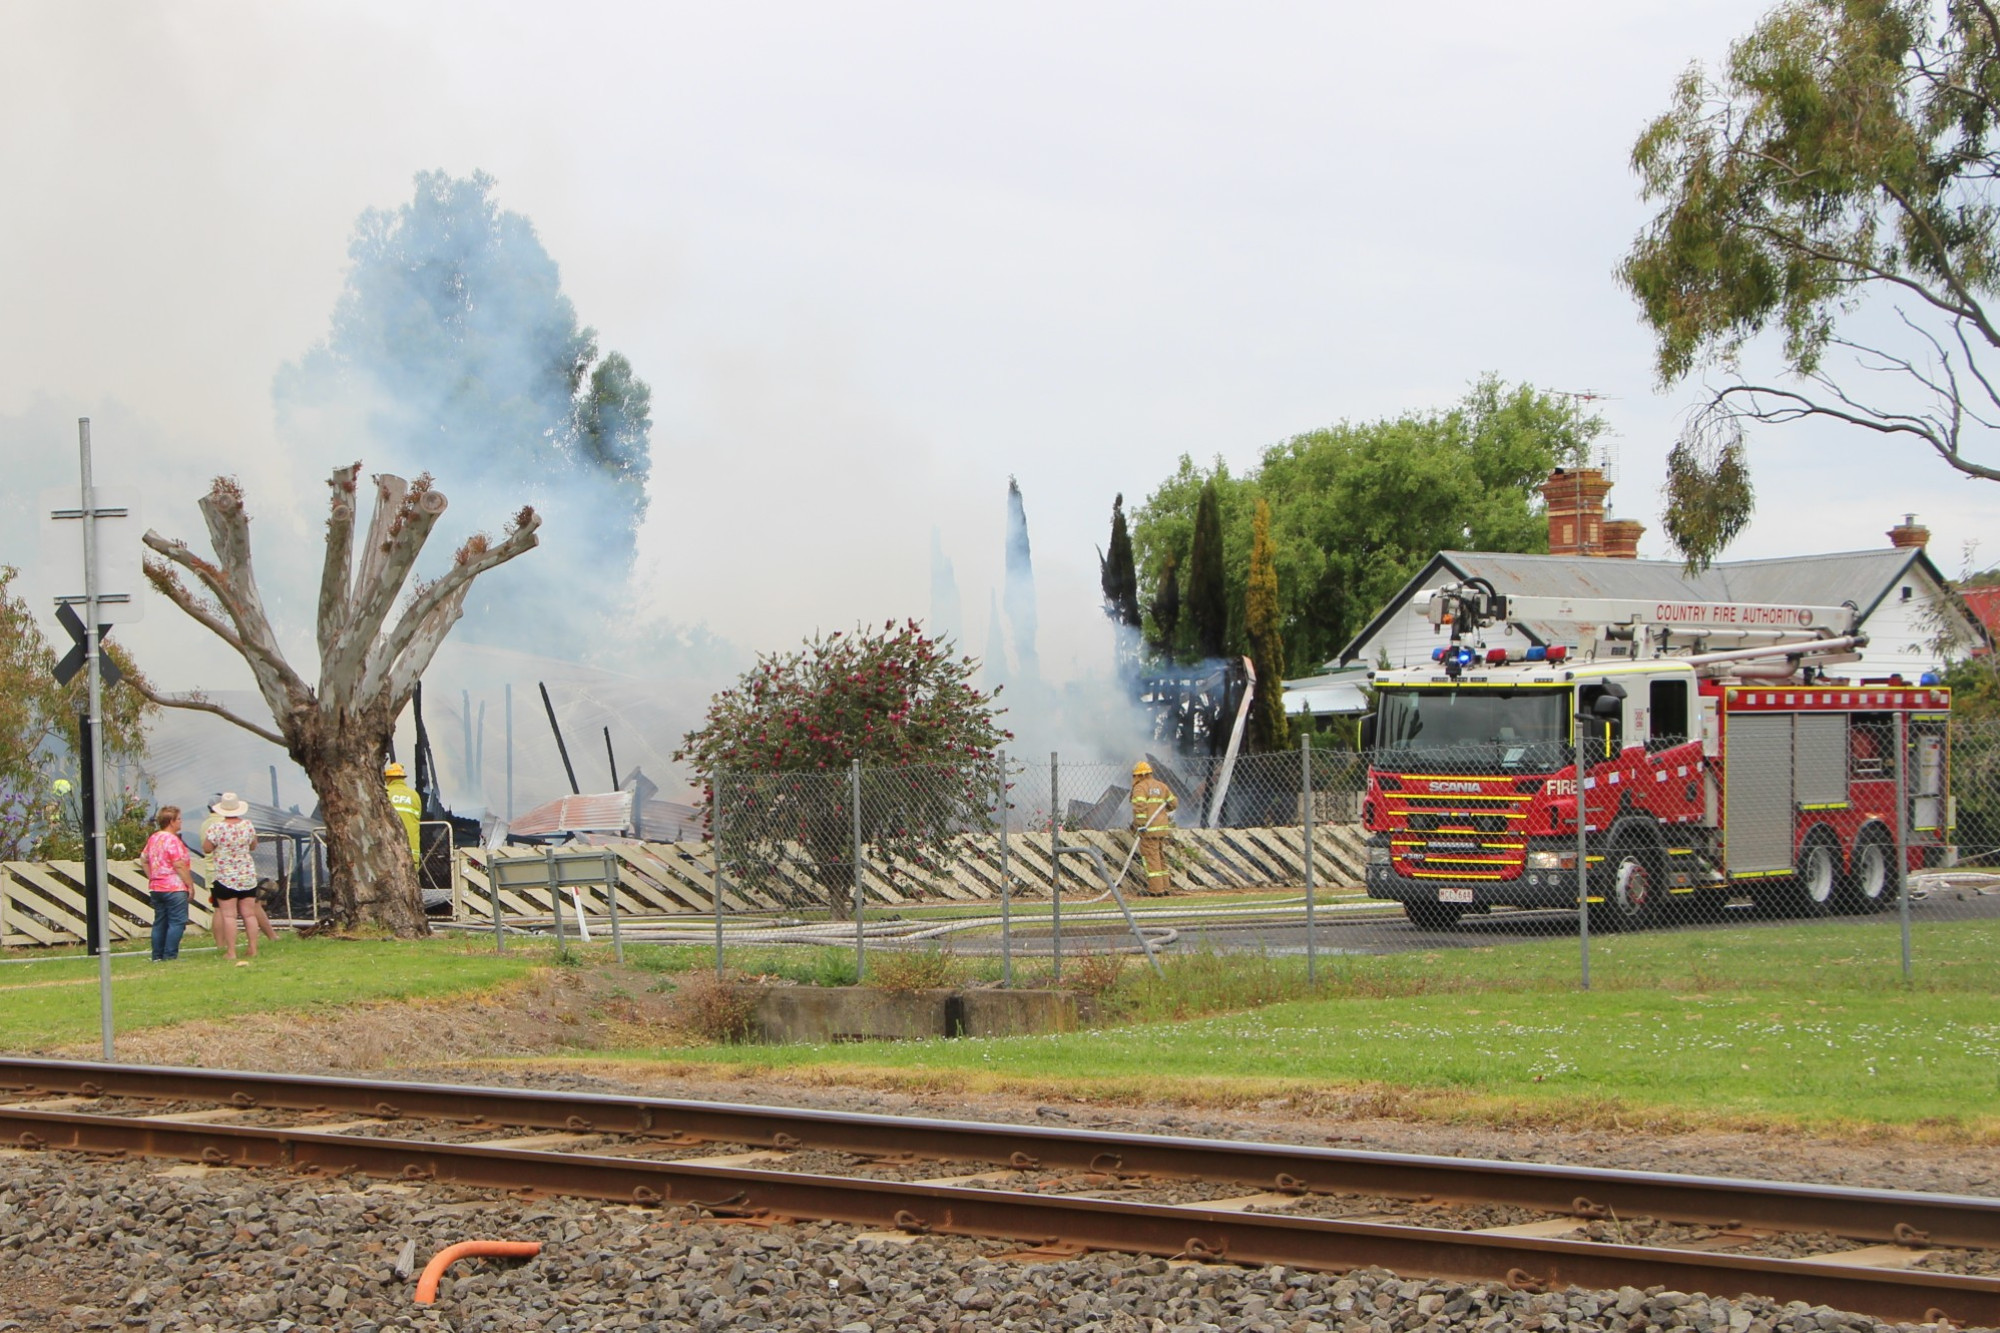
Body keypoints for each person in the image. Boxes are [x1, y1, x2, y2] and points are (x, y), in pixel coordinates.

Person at [202, 793, 260, 966]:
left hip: (225, 876)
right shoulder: (248, 826)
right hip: (247, 875)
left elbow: (207, 848)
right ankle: (253, 948)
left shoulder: (216, 828)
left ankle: (231, 951)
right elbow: (253, 845)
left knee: (229, 916)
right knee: (249, 914)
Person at [141, 806, 194, 961]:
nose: (181, 822)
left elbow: (143, 859)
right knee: (177, 921)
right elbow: (178, 864)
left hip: (157, 887)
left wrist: (152, 876)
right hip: (174, 887)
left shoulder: (154, 838)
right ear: (171, 822)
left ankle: (157, 955)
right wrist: (189, 884)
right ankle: (170, 955)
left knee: (160, 922)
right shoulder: (173, 840)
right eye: (179, 819)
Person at [1130, 760, 1179, 896]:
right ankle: (1165, 887)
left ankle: (1155, 890)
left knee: (1151, 860)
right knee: (1160, 857)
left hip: (1148, 829)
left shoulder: (1140, 788)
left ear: (1139, 776)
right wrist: (1162, 810)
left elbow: (1139, 808)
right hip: (1161, 828)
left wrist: (1140, 825)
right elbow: (1174, 803)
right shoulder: (1161, 786)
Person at [384, 762, 422, 865]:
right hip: (411, 851)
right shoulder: (414, 796)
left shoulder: (384, 794)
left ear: (389, 778)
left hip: (389, 850)